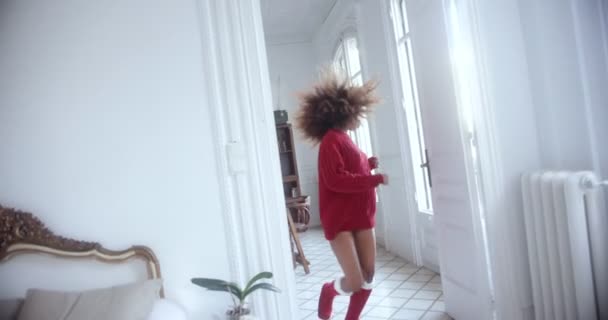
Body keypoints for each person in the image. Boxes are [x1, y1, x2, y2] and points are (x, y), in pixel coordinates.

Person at [295, 69, 389, 320]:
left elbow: (349, 169)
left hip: (361, 214)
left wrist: (367, 164)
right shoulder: (330, 141)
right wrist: (374, 178)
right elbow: (336, 180)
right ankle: (329, 291)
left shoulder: (344, 139)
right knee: (356, 280)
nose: (360, 118)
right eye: (357, 113)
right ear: (344, 113)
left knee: (368, 275)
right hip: (340, 218)